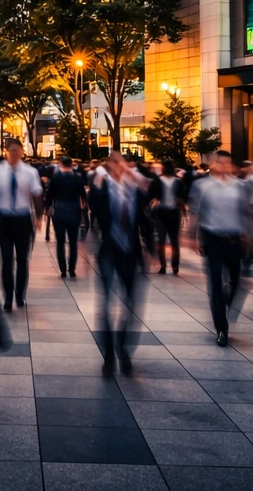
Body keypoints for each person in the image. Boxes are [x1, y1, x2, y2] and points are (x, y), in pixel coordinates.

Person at [188, 150, 252, 346]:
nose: (224, 167)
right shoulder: (202, 186)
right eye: (220, 163)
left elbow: (247, 212)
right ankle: (221, 328)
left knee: (236, 281)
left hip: (234, 238)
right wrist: (191, 236)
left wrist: (249, 235)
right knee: (215, 282)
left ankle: (227, 299)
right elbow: (194, 212)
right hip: (212, 238)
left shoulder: (241, 186)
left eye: (227, 163)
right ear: (213, 164)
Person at [95, 151, 149, 374]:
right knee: (106, 305)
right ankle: (109, 354)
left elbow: (145, 217)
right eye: (114, 163)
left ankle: (123, 348)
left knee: (131, 303)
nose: (119, 167)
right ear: (109, 166)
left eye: (122, 163)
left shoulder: (135, 189)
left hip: (130, 251)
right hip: (109, 251)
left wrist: (150, 250)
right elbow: (94, 212)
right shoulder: (102, 188)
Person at [0, 138, 43, 310]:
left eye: (18, 151)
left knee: (23, 259)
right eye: (12, 151)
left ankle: (20, 294)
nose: (15, 154)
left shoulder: (30, 172)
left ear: (22, 152)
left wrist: (39, 216)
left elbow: (36, 194)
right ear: (7, 152)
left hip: (23, 219)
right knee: (6, 259)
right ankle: (8, 297)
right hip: (4, 220)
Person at [44, 156, 87, 278]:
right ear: (71, 164)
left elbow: (49, 195)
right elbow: (83, 194)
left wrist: (48, 208)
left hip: (59, 210)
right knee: (73, 242)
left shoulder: (56, 177)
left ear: (60, 164)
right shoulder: (77, 178)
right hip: (74, 211)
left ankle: (62, 269)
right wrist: (84, 206)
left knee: (60, 241)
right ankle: (72, 268)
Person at [149, 160, 188, 275]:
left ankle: (166, 265)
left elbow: (151, 194)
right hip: (169, 212)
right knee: (171, 240)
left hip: (165, 212)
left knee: (164, 240)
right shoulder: (176, 181)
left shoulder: (161, 180)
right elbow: (183, 196)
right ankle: (172, 265)